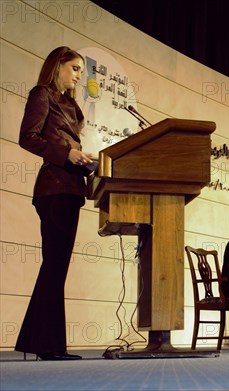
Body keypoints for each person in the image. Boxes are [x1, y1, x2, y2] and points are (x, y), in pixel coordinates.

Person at [15, 47, 94, 361]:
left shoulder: (69, 105)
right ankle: (48, 346)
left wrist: (81, 157)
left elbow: (67, 141)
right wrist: (67, 154)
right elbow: (28, 137)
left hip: (71, 189)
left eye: (80, 70)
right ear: (57, 65)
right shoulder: (42, 94)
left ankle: (42, 343)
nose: (78, 75)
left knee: (55, 268)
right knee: (54, 267)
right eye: (74, 68)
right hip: (53, 190)